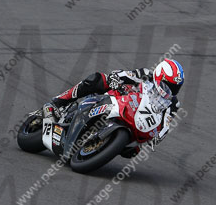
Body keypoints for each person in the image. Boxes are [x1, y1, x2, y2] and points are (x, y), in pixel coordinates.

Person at [42, 59, 184, 151]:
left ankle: (104, 144)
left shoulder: (173, 103)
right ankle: (57, 102)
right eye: (168, 85)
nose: (171, 90)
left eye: (175, 87)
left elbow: (166, 123)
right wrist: (116, 79)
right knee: (96, 80)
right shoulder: (146, 74)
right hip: (118, 98)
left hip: (137, 121)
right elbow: (125, 75)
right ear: (159, 75)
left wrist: (159, 137)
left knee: (132, 151)